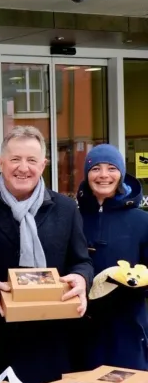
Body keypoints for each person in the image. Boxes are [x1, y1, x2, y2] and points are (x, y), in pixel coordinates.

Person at [0, 126, 93, 383]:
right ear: (0, 162)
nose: (23, 168)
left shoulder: (65, 209)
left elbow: (81, 260)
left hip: (51, 339)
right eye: (15, 159)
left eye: (32, 160)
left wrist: (81, 278)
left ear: (44, 164)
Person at [77, 144, 148, 370]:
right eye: (96, 168)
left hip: (128, 326)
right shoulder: (72, 217)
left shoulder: (141, 221)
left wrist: (138, 280)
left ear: (122, 173)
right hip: (81, 326)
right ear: (87, 174)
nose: (104, 175)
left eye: (111, 168)